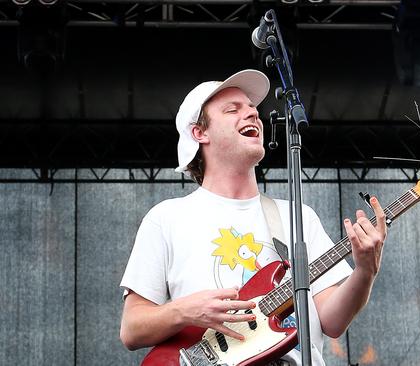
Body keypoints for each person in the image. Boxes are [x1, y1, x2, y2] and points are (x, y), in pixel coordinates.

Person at [119, 69, 387, 365]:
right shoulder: (167, 218)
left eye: (253, 108)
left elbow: (332, 322)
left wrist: (365, 270)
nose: (252, 114)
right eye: (233, 109)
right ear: (200, 132)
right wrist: (186, 311)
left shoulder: (297, 216)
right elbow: (132, 329)